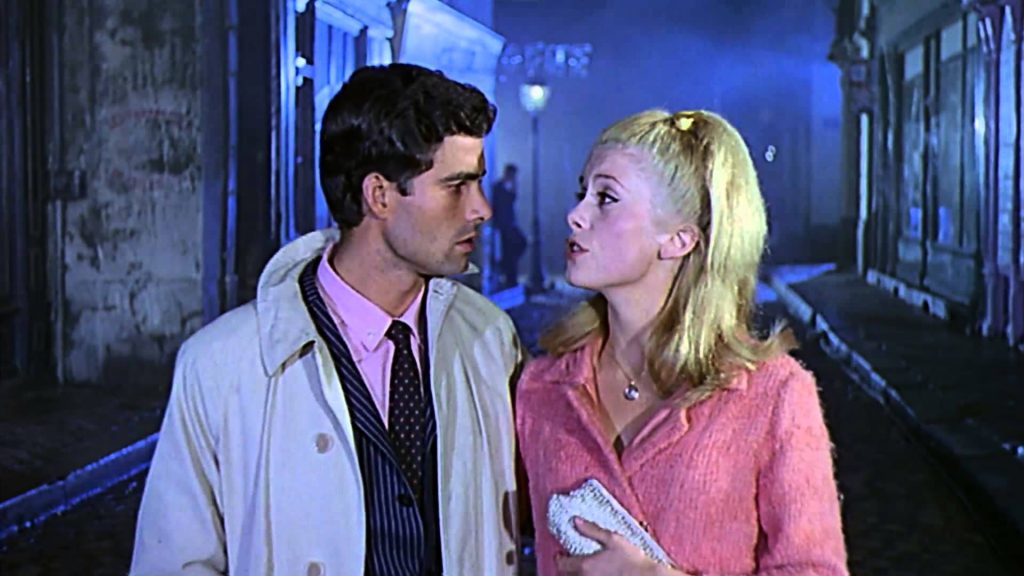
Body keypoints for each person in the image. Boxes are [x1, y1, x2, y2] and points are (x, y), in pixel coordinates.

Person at [131, 63, 525, 576]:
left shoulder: (490, 339)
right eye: (457, 186)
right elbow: (174, 561)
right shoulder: (221, 365)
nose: (482, 209)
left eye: (479, 183)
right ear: (379, 195)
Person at [515, 110, 848, 575]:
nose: (575, 215)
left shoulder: (774, 396)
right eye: (581, 193)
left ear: (678, 239)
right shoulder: (541, 388)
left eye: (606, 198)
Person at [491, 163, 527, 288]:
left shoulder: (509, 186)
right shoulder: (499, 187)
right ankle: (508, 274)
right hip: (504, 225)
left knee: (515, 249)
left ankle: (508, 271)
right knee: (513, 248)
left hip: (509, 223)